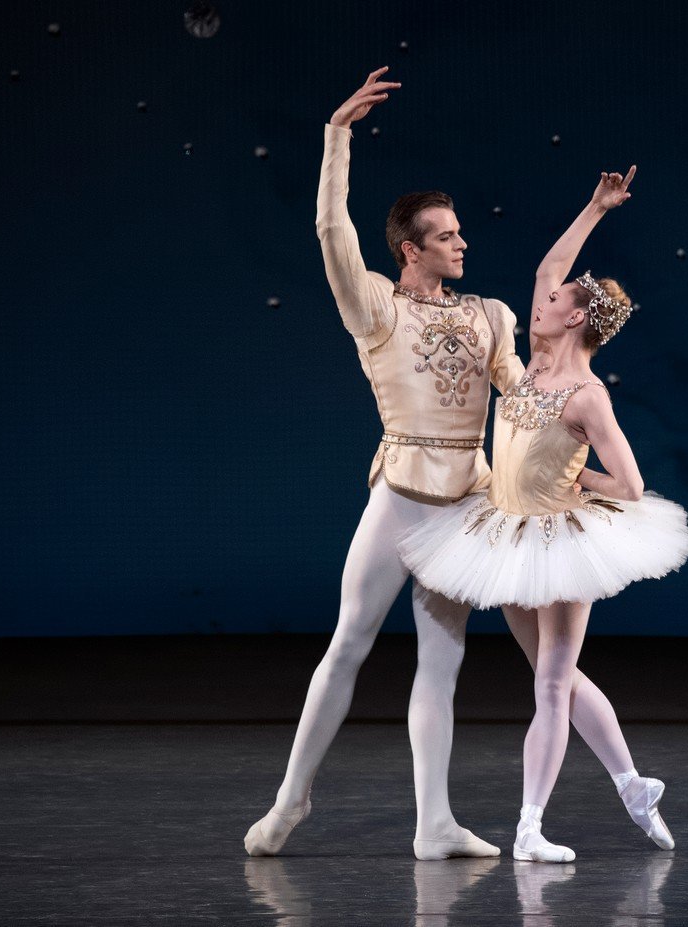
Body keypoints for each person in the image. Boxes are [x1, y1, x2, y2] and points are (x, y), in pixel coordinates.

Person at [243, 68, 654, 863]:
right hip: (399, 493)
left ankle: (434, 822)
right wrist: (338, 139)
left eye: (461, 231)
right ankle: (290, 798)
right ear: (411, 248)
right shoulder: (377, 307)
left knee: (443, 663)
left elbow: (526, 398)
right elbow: (333, 234)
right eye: (447, 234)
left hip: (467, 502)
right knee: (350, 641)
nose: (464, 241)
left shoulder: (490, 315)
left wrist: (574, 449)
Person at [398, 166, 688, 862]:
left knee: (553, 681)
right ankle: (633, 783)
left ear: (578, 317)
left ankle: (529, 825)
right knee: (553, 676)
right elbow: (550, 264)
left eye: (555, 298)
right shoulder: (531, 365)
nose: (542, 297)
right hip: (507, 534)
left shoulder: (587, 395)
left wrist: (570, 473)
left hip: (562, 538)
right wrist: (594, 207)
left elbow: (629, 483)